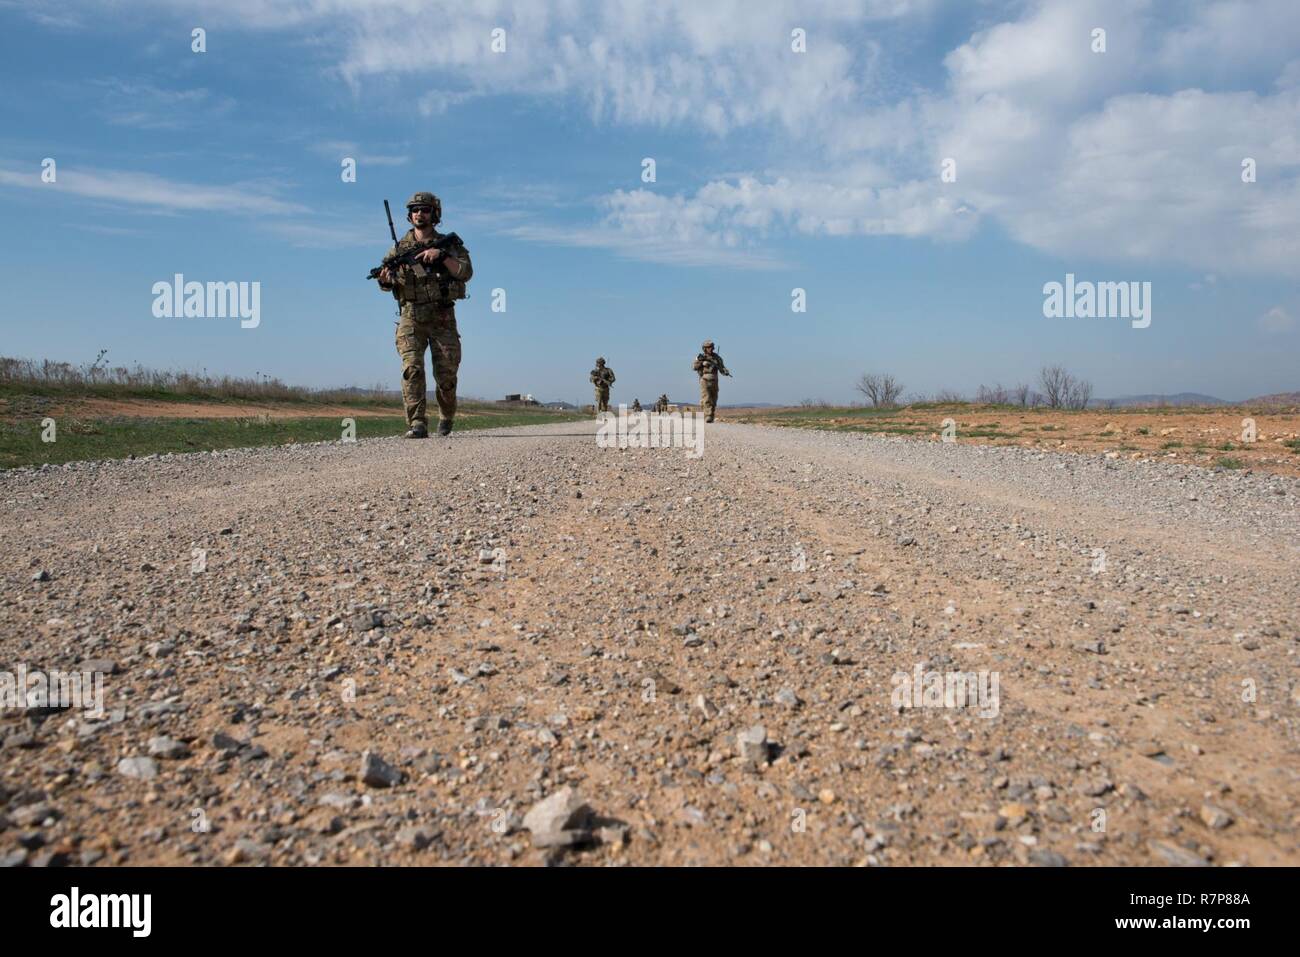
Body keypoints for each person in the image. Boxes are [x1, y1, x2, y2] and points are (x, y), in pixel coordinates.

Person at [376, 191, 473, 438]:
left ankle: (447, 416)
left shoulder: (450, 245)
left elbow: (465, 272)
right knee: (412, 369)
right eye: (415, 210)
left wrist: (442, 256)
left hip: (442, 317)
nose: (420, 213)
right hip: (411, 317)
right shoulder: (398, 250)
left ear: (435, 214)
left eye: (425, 209)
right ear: (409, 216)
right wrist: (385, 281)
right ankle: (417, 422)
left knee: (447, 376)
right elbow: (387, 284)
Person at [691, 339, 731, 422]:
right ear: (704, 348)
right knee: (706, 398)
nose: (711, 349)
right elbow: (694, 367)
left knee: (714, 398)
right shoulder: (700, 357)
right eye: (708, 347)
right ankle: (708, 415)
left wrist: (725, 371)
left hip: (714, 379)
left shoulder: (717, 357)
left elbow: (721, 367)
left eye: (712, 347)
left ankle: (711, 415)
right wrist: (702, 363)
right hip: (704, 379)